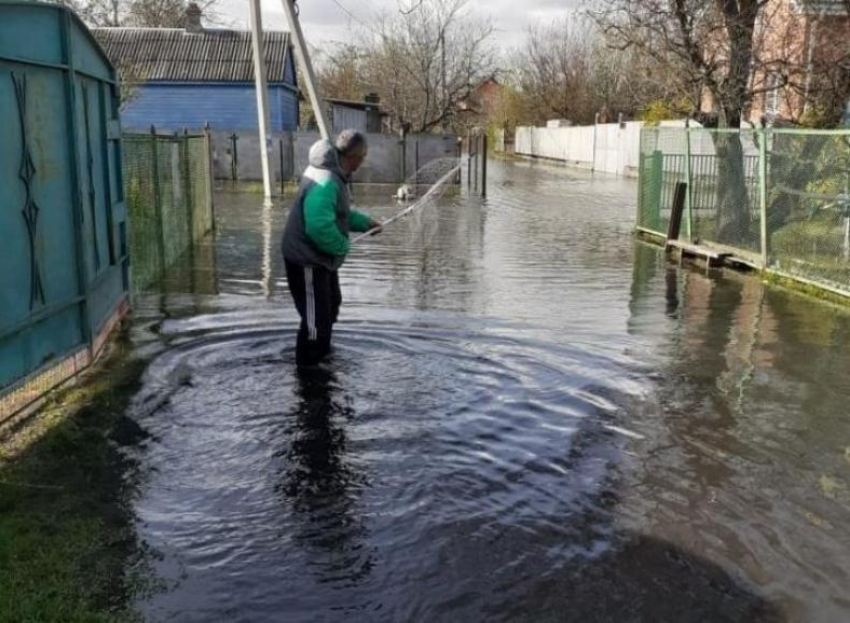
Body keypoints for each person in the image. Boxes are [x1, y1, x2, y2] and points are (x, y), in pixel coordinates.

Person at [282, 130, 381, 366]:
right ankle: (309, 372)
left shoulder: (334, 175)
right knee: (317, 322)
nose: (362, 163)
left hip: (320, 259)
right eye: (362, 157)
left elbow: (339, 215)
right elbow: (317, 225)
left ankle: (323, 357)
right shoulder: (327, 180)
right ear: (354, 156)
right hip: (306, 260)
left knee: (331, 306)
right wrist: (342, 245)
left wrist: (366, 224)